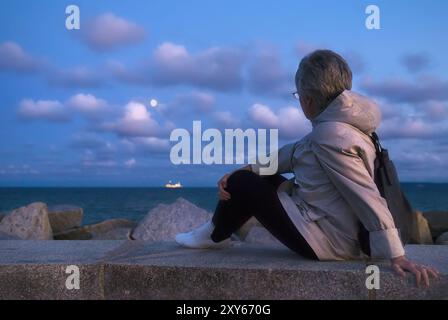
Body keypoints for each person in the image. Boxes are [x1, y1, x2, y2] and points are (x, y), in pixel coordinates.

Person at [175, 49, 440, 287]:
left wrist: (396, 254)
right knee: (250, 176)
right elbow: (293, 153)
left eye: (298, 95)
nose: (299, 100)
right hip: (329, 224)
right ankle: (215, 232)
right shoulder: (340, 126)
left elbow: (365, 193)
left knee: (243, 184)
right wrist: (244, 168)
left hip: (329, 240)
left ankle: (214, 234)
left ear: (309, 100)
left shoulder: (331, 135)